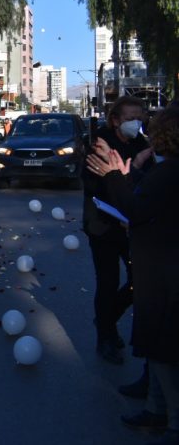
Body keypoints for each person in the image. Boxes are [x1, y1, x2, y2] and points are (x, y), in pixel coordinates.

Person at [87, 105, 179, 441]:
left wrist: (116, 176)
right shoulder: (165, 169)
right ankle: (156, 409)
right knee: (159, 347)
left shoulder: (171, 171)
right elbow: (148, 198)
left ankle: (172, 420)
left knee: (165, 350)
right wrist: (130, 175)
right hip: (155, 264)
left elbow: (139, 208)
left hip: (163, 271)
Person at [82, 95, 152, 365]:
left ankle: (106, 319)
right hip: (104, 226)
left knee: (139, 281)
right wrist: (125, 177)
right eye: (129, 118)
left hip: (134, 225)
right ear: (114, 120)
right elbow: (94, 184)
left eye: (139, 117)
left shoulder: (140, 143)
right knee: (107, 282)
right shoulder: (100, 143)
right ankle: (106, 338)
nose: (136, 123)